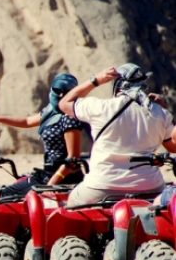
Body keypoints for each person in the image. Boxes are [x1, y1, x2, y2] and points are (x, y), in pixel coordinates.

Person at [57, 63, 176, 206]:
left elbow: (64, 103)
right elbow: (173, 147)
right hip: (150, 187)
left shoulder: (101, 107)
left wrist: (96, 80)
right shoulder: (160, 113)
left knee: (71, 202)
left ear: (118, 86)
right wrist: (164, 110)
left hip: (102, 185)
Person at [0, 73, 85, 197]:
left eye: (65, 92)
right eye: (57, 90)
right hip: (47, 174)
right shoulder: (50, 112)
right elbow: (27, 122)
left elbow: (73, 160)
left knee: (10, 196)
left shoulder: (70, 117)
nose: (60, 95)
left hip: (64, 178)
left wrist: (50, 185)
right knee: (5, 193)